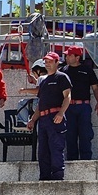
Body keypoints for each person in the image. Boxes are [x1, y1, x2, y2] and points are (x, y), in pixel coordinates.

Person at [26, 52, 72, 180]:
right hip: (43, 119)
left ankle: (57, 176)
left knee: (56, 148)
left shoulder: (62, 77)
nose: (47, 64)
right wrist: (33, 119)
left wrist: (61, 113)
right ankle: (44, 177)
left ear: (57, 62)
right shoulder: (44, 81)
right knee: (43, 151)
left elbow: (67, 96)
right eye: (46, 62)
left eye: (50, 61)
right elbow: (41, 103)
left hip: (55, 117)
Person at [59, 46, 98, 160]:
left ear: (77, 57)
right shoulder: (63, 71)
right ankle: (72, 162)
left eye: (69, 55)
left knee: (85, 134)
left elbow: (95, 88)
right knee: (70, 135)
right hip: (68, 107)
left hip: (84, 107)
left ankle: (86, 162)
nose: (66, 57)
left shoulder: (87, 70)